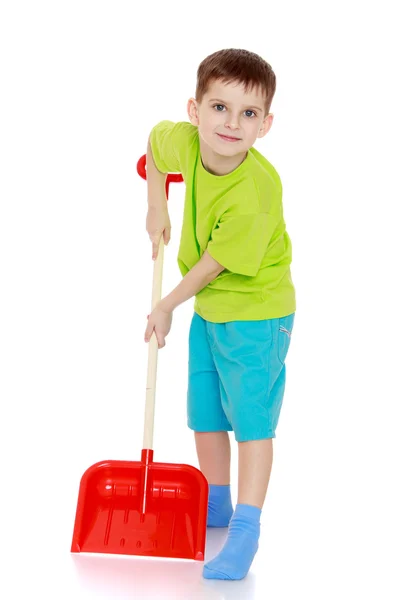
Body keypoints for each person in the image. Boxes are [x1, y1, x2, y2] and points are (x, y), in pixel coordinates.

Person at [144, 48, 296, 580]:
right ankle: (217, 502)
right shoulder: (185, 142)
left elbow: (211, 267)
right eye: (220, 107)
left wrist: (164, 306)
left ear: (266, 124)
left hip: (256, 313)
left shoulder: (256, 192)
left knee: (250, 421)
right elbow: (155, 147)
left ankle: (246, 530)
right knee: (205, 411)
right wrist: (157, 203)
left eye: (249, 114)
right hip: (210, 310)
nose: (232, 124)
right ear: (195, 109)